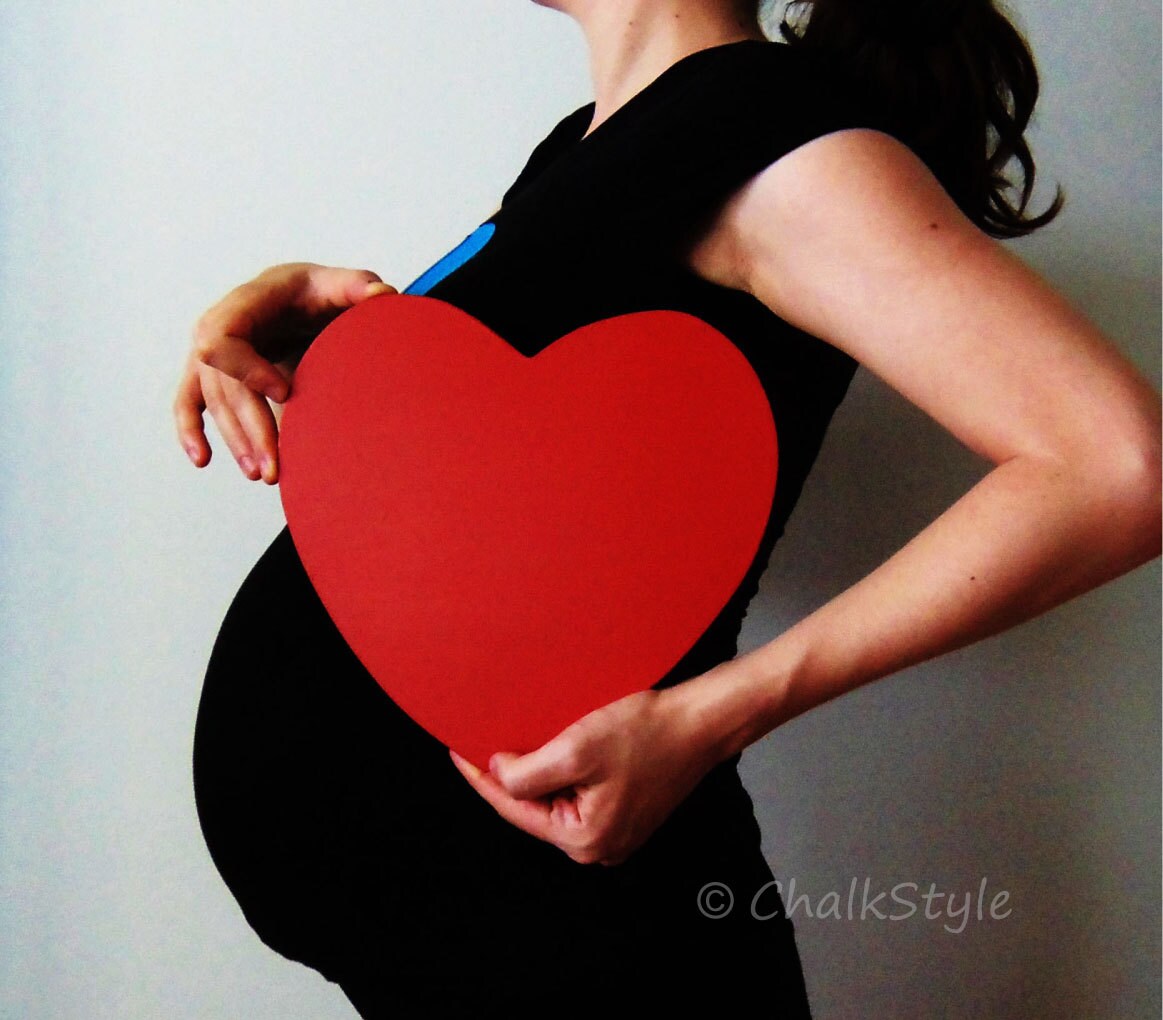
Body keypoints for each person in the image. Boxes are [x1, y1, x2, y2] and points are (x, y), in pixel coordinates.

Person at [173, 1, 1161, 1016]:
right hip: (491, 940)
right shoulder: (594, 141)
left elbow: (1117, 465)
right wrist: (319, 347)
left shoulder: (771, 138)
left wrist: (712, 719)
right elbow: (531, 483)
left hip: (587, 945)